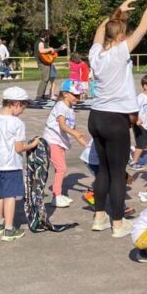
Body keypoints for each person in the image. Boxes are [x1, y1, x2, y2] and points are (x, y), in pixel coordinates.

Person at [88, 0, 147, 237]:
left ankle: (99, 217)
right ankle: (118, 224)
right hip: (115, 120)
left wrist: (116, 13)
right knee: (117, 173)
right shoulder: (120, 52)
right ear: (121, 36)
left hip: (96, 117)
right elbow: (143, 27)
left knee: (102, 169)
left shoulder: (96, 54)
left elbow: (98, 32)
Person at [0, 86, 40, 242]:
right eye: (23, 107)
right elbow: (19, 147)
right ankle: (9, 229)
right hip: (10, 165)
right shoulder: (17, 123)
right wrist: (33, 144)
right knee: (10, 196)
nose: (23, 110)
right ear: (16, 104)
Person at [44, 79, 90, 208]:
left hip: (60, 142)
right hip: (52, 140)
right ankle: (56, 196)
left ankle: (58, 193)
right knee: (62, 168)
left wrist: (82, 142)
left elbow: (71, 128)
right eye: (75, 95)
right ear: (65, 94)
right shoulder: (61, 106)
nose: (78, 98)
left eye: (79, 95)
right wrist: (75, 134)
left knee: (60, 168)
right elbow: (63, 125)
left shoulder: (70, 108)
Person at [35, 31, 66, 102]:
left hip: (46, 63)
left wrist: (60, 48)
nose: (49, 37)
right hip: (43, 63)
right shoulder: (40, 42)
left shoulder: (44, 43)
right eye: (48, 36)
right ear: (45, 35)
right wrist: (49, 49)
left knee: (46, 79)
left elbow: (51, 51)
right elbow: (41, 50)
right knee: (45, 79)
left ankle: (42, 95)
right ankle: (39, 96)